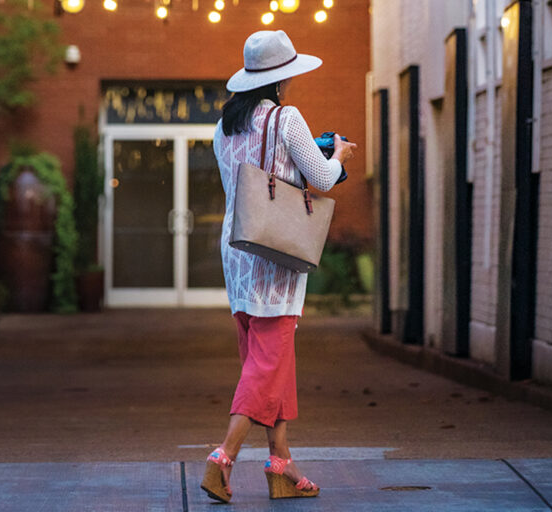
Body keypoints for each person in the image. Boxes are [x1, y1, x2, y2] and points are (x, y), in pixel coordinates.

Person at [200, 30, 357, 503]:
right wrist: (339, 153)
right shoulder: (286, 118)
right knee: (268, 360)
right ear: (281, 80)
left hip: (238, 248)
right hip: (275, 251)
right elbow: (322, 178)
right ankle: (222, 458)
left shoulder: (222, 127)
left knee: (266, 360)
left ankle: (281, 467)